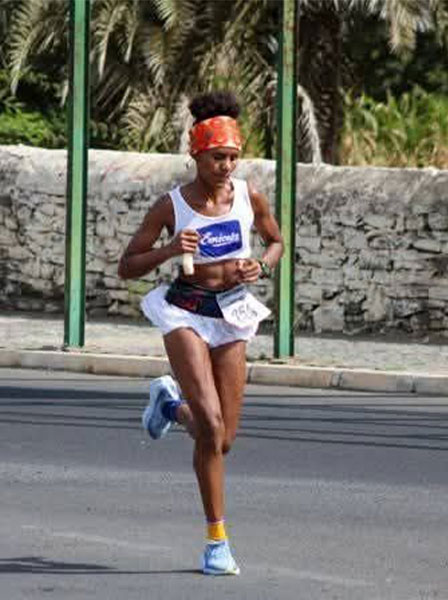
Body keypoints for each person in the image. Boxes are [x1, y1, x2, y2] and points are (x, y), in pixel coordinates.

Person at [117, 91, 284, 575]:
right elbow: (128, 266)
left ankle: (170, 407)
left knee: (223, 439)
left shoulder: (249, 197)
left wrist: (261, 265)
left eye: (232, 157)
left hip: (232, 312)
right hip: (186, 311)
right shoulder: (171, 205)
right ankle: (217, 542)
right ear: (196, 155)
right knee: (209, 428)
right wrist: (171, 249)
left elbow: (276, 241)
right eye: (217, 158)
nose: (226, 166)